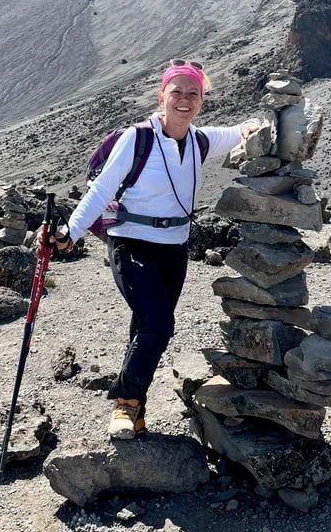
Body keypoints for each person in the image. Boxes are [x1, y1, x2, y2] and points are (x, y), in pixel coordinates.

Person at [50, 59, 259, 440]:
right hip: (131, 243)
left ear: (201, 101)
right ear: (161, 96)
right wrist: (71, 231)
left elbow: (239, 132)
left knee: (146, 326)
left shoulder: (199, 140)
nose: (184, 99)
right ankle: (125, 404)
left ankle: (137, 415)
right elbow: (100, 190)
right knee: (160, 324)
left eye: (192, 93)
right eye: (176, 92)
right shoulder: (137, 138)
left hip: (174, 251)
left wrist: (252, 127)